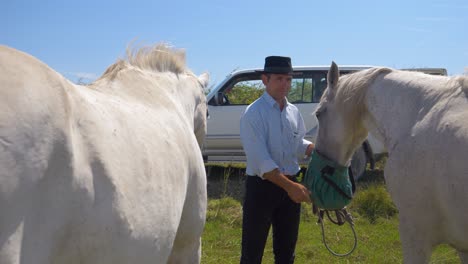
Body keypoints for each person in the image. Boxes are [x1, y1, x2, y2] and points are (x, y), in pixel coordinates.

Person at [240, 56, 314, 264]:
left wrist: (311, 149)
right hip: (262, 188)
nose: (285, 84)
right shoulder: (253, 114)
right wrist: (291, 187)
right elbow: (260, 161)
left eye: (288, 79)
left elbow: (296, 142)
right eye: (279, 79)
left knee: (286, 253)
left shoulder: (293, 112)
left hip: (289, 187)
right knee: (252, 254)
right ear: (265, 79)